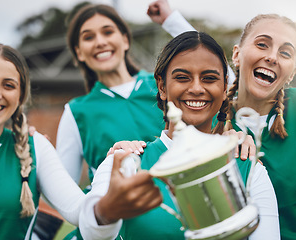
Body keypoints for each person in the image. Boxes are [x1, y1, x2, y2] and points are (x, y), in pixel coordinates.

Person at [78, 31, 280, 240]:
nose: (196, 88)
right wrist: (105, 211)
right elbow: (89, 230)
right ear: (162, 86)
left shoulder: (249, 170)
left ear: (224, 88)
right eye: (182, 78)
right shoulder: (126, 163)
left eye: (209, 78)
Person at [0, 43, 161, 239]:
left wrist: (108, 172)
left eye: (8, 85)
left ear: (20, 96)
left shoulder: (35, 146)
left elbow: (78, 209)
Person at [56, 3, 194, 186]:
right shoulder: (76, 112)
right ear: (79, 52)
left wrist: (172, 21)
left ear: (125, 40)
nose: (100, 42)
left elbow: (221, 81)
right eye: (88, 37)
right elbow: (64, 189)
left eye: (107, 32)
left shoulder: (164, 85)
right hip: (124, 212)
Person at [223, 14, 296, 240]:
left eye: (285, 53)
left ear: (292, 72)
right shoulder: (210, 121)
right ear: (237, 54)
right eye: (262, 44)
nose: (272, 57)